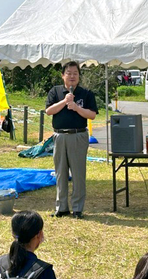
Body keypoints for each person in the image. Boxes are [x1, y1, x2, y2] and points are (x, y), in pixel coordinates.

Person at [46, 61, 98, 219]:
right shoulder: (55, 91)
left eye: (75, 73)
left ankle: (77, 208)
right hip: (60, 136)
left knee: (78, 173)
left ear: (79, 76)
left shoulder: (86, 93)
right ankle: (61, 207)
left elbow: (92, 115)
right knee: (60, 173)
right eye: (69, 73)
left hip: (78, 136)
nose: (72, 76)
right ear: (63, 75)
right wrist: (65, 101)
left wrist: (76, 107)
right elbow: (49, 111)